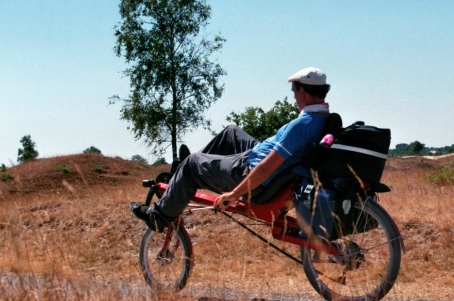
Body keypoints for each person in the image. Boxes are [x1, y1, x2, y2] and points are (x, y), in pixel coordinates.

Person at [130, 67, 331, 232]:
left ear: (303, 92)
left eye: (294, 91)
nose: (294, 97)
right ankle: (178, 177)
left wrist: (233, 194)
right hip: (261, 158)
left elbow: (266, 168)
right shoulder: (323, 118)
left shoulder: (302, 125)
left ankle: (158, 217)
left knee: (192, 164)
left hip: (252, 173)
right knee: (231, 132)